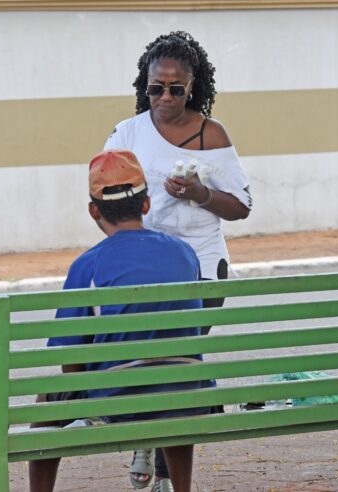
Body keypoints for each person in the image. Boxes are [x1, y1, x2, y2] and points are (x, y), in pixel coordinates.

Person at [104, 30, 251, 490]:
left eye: (176, 89)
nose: (164, 97)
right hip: (145, 270)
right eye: (155, 88)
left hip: (201, 266)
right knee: (151, 361)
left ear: (194, 87)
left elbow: (242, 205)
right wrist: (129, 250)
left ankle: (165, 470)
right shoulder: (126, 134)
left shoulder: (213, 134)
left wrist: (201, 194)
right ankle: (147, 442)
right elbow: (106, 202)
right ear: (143, 86)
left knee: (178, 363)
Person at [28, 149, 211, 492]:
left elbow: (70, 360)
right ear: (146, 204)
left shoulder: (88, 265)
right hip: (187, 393)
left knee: (46, 404)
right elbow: (191, 327)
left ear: (93, 210)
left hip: (118, 398)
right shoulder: (184, 252)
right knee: (175, 380)